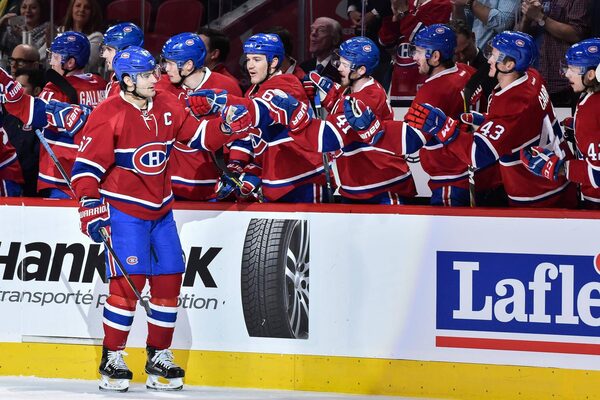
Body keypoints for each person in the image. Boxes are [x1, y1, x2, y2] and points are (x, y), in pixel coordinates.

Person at [70, 46, 189, 392]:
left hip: (162, 211)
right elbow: (85, 170)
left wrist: (225, 126)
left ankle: (158, 355)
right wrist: (90, 205)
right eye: (146, 75)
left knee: (169, 281)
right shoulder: (108, 114)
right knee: (126, 286)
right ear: (127, 80)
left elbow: (196, 136)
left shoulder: (167, 104)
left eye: (155, 72)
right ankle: (112, 357)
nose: (155, 79)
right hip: (125, 211)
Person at [404, 31, 577, 208]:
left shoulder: (512, 104)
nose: (489, 60)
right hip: (559, 181)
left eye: (494, 56)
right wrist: (488, 120)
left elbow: (477, 154)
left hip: (538, 193)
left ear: (509, 64)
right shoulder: (533, 77)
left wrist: (444, 128)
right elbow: (522, 124)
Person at [186, 33, 329, 203]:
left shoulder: (287, 84)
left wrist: (223, 100)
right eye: (248, 59)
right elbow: (247, 137)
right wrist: (237, 167)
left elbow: (261, 112)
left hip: (304, 182)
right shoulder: (252, 92)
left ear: (273, 62)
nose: (250, 66)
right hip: (275, 184)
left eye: (257, 59)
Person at [157, 32, 243, 201]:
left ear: (188, 65)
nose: (166, 68)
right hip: (169, 187)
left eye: (171, 63)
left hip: (213, 186)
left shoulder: (226, 86)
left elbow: (241, 134)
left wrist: (236, 167)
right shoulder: (161, 87)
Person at [521, 38, 600, 209]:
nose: (566, 74)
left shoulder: (592, 109)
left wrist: (560, 167)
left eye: (573, 69)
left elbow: (598, 173)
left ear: (591, 74)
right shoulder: (590, 97)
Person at [518, 0, 592, 107]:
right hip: (532, 80)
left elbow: (577, 34)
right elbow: (519, 39)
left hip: (563, 81)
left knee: (564, 116)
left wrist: (540, 17)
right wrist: (527, 18)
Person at [378, 0, 452, 106]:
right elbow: (385, 41)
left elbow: (423, 39)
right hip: (401, 80)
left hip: (428, 79)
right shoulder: (406, 3)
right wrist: (392, 16)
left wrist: (404, 12)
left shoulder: (442, 4)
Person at [4, 67, 45, 196]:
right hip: (12, 183)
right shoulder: (7, 118)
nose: (15, 92)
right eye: (15, 87)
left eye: (21, 87)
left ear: (36, 90)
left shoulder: (44, 122)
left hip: (34, 189)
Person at [451, 0, 519, 49]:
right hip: (464, 52)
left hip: (493, 56)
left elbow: (504, 24)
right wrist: (457, 5)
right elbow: (458, 24)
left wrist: (470, 2)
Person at [100, 22, 144, 97]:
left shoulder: (141, 85)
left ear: (126, 52)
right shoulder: (116, 75)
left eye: (109, 49)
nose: (104, 55)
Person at [58, 0, 104, 72]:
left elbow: (85, 66)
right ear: (71, 9)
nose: (82, 9)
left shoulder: (97, 37)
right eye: (78, 6)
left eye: (87, 7)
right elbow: (45, 60)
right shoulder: (60, 31)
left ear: (92, 13)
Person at [299, 17, 342, 82]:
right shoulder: (303, 68)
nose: (313, 33)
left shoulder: (342, 69)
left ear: (335, 39)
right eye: (312, 30)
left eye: (321, 30)